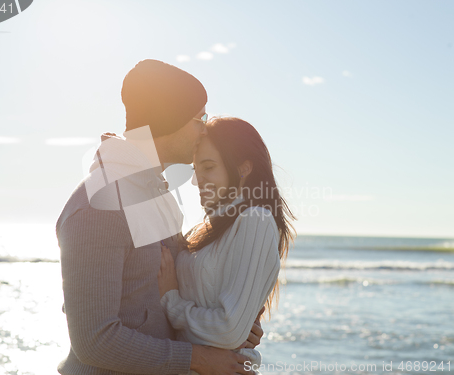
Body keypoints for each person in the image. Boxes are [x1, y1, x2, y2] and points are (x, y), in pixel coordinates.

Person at [56, 60, 263, 375]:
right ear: (171, 119)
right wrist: (199, 359)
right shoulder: (100, 204)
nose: (205, 129)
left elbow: (172, 293)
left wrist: (231, 324)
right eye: (199, 118)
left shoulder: (158, 196)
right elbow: (94, 340)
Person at [158, 117, 296, 374]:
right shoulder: (203, 229)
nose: (197, 182)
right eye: (196, 170)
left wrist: (172, 303)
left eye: (209, 167)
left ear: (243, 169)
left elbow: (229, 329)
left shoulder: (256, 221)